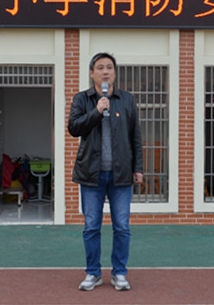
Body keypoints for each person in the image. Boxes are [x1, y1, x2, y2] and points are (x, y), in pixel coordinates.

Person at [68, 52, 143, 291]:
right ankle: (93, 273)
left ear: (114, 72)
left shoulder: (126, 100)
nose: (105, 71)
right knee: (92, 226)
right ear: (92, 73)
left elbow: (135, 136)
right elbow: (74, 128)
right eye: (100, 67)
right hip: (92, 175)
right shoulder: (82, 99)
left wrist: (138, 168)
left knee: (122, 226)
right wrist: (96, 111)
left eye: (109, 67)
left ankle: (119, 273)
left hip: (121, 175)